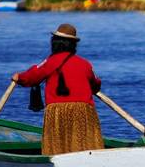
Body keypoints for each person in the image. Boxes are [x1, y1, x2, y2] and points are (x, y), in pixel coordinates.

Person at [12, 23, 103, 155]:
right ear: (73, 44)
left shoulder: (50, 61)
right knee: (85, 146)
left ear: (55, 42)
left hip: (58, 112)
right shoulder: (85, 64)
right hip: (84, 112)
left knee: (58, 149)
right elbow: (96, 85)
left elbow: (33, 76)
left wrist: (19, 77)